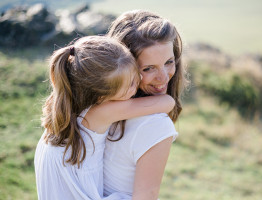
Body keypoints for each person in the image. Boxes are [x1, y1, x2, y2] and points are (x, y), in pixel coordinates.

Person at [34, 35, 176, 200]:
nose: (138, 81)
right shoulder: (100, 113)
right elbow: (167, 102)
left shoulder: (66, 106)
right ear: (102, 98)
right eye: (130, 84)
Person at [103, 10, 188, 200]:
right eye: (148, 68)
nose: (164, 77)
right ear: (123, 67)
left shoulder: (99, 109)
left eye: (169, 62)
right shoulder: (155, 125)